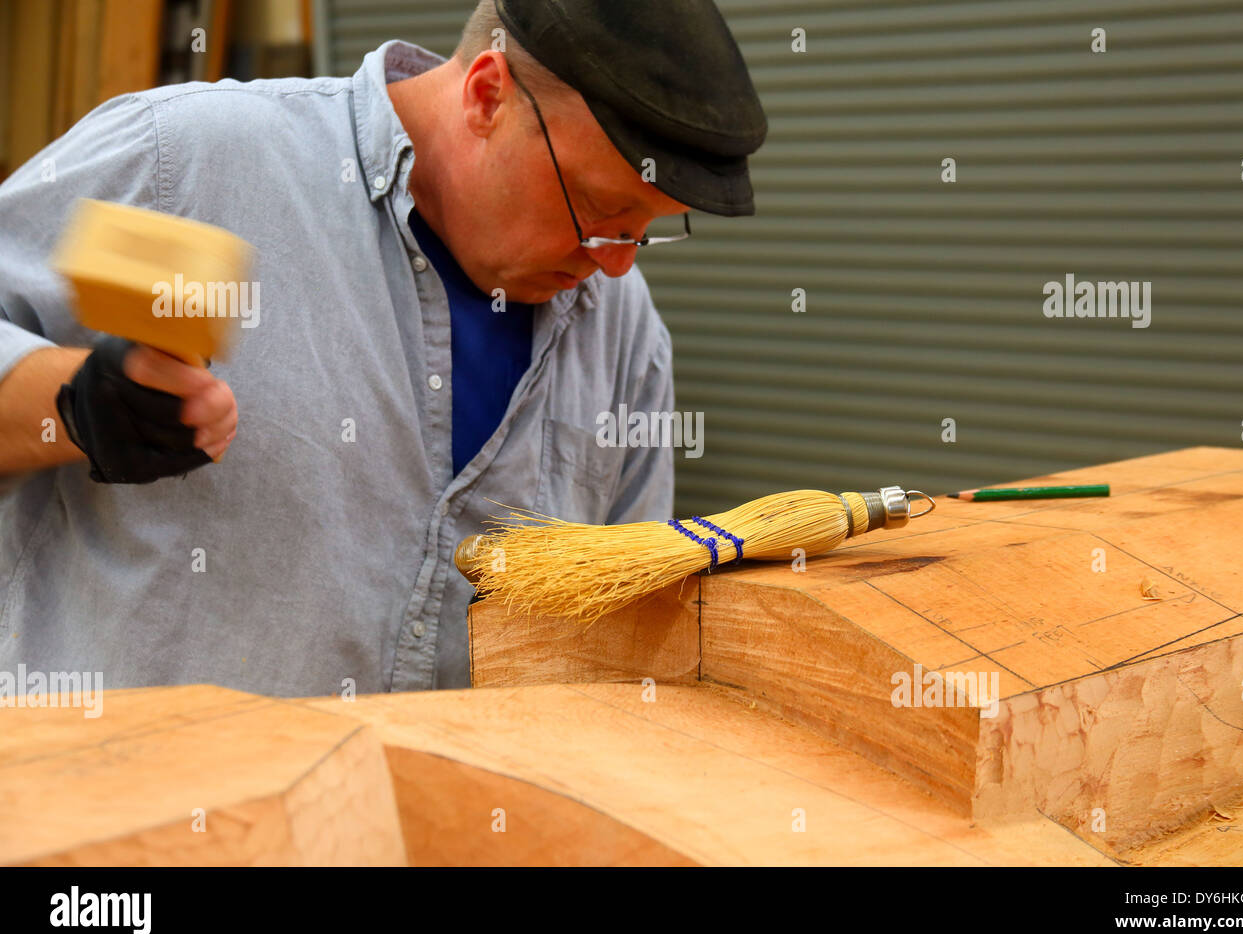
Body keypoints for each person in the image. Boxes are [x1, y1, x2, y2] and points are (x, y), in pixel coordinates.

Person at [0, 0, 766, 695]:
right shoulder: (187, 162)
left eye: (647, 227)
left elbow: (617, 631)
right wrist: (71, 403)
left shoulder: (623, 331)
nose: (617, 261)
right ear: (487, 95)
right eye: (600, 208)